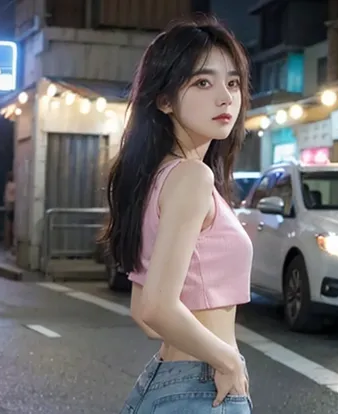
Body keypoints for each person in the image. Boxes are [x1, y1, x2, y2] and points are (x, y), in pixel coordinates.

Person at [99, 18, 254, 413]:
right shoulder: (191, 176)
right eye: (203, 82)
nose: (225, 97)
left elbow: (143, 309)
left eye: (232, 83)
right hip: (203, 387)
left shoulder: (155, 177)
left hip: (168, 379)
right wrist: (227, 358)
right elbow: (155, 309)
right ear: (164, 100)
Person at [4, 171, 16, 252]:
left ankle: (6, 244)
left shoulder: (7, 185)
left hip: (7, 205)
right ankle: (10, 244)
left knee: (8, 225)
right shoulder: (14, 185)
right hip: (12, 205)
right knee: (11, 226)